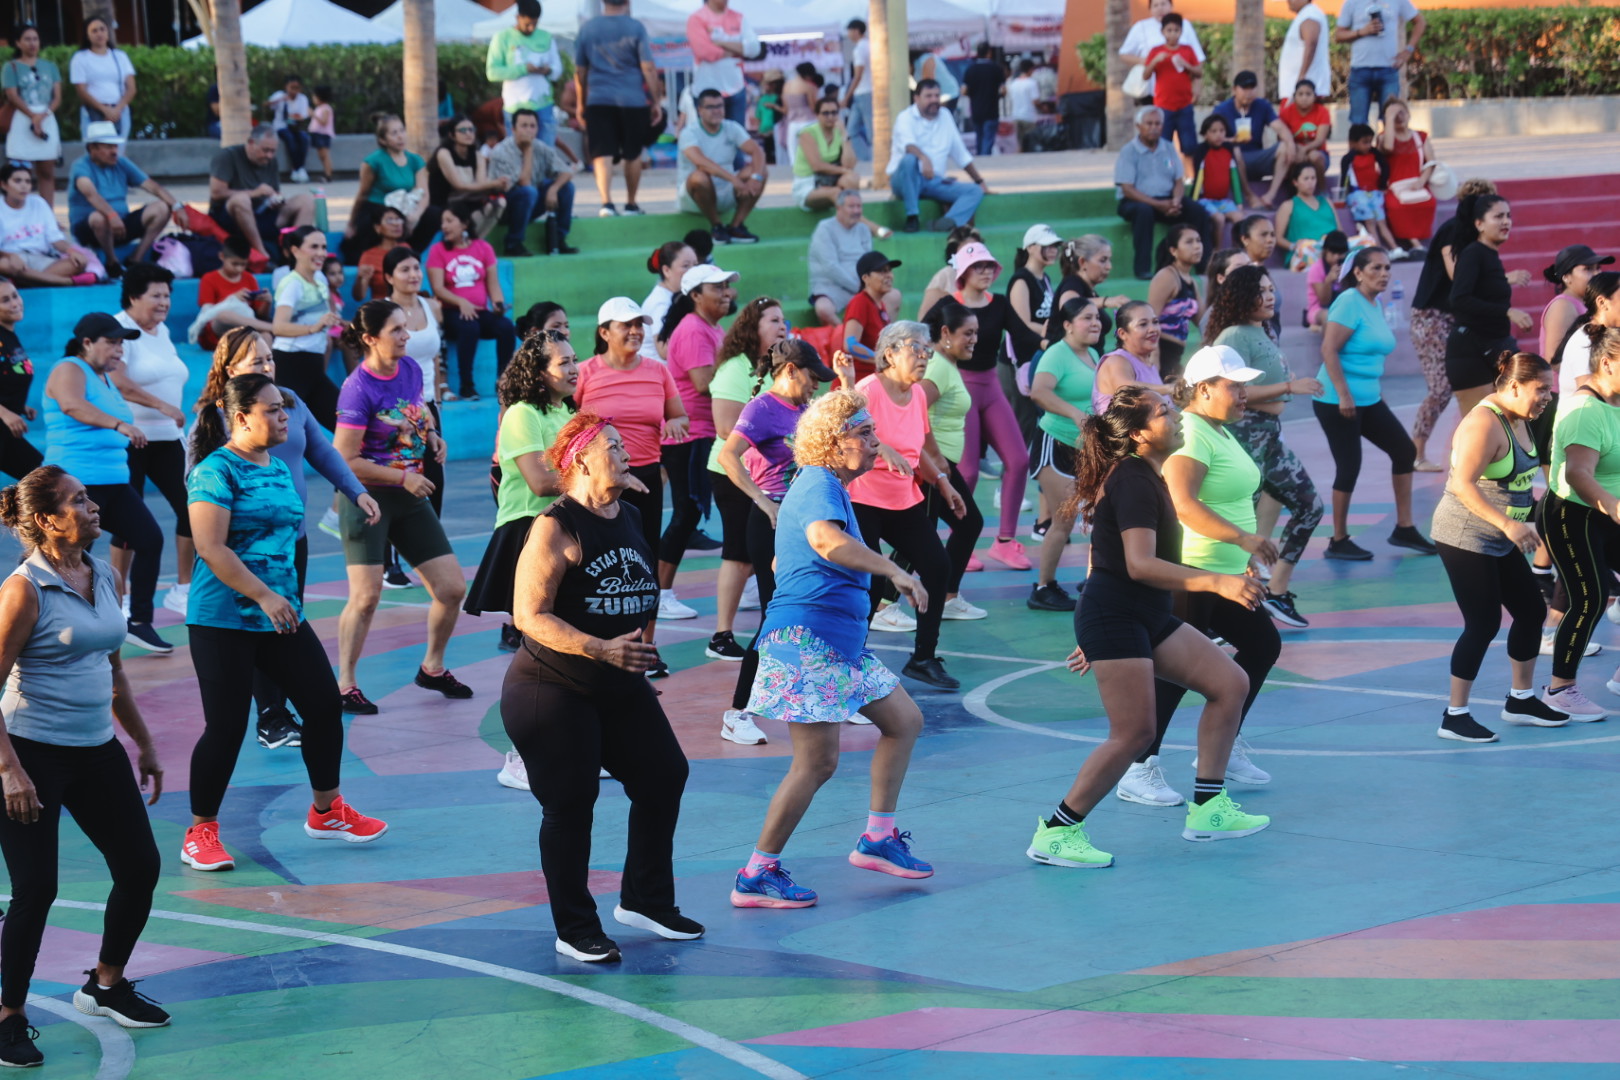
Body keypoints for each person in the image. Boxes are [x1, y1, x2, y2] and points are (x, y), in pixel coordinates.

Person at [1026, 385, 1270, 869]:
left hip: (1143, 614)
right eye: (1164, 412)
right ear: (1139, 434)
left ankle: (1208, 808)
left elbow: (1107, 554)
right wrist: (1216, 582)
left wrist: (1093, 633)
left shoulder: (1145, 476)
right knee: (1134, 733)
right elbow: (1139, 565)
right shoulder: (1133, 479)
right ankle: (1057, 831)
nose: (1176, 417)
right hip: (1118, 614)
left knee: (1230, 683)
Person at [503, 412, 699, 961]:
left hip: (616, 681)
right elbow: (529, 616)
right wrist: (600, 648)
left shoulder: (629, 514)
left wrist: (633, 658)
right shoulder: (555, 526)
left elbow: (635, 593)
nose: (626, 452)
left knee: (664, 775)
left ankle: (646, 901)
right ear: (581, 460)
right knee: (571, 802)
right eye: (612, 446)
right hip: (551, 687)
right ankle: (575, 928)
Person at [730, 389, 934, 908]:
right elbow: (824, 540)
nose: (875, 442)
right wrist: (893, 570)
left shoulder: (827, 488)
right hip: (807, 642)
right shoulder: (818, 483)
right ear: (832, 443)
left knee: (904, 721)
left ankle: (878, 838)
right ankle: (756, 873)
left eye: (873, 431)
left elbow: (787, 560)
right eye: (864, 433)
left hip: (838, 643)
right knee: (816, 763)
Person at [180, 371, 388, 876]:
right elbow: (210, 547)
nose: (284, 418)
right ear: (240, 417)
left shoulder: (275, 467)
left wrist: (280, 596)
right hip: (224, 618)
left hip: (280, 612)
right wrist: (264, 595)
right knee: (226, 727)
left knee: (322, 705)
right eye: (272, 409)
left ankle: (326, 810)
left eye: (284, 408)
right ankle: (201, 830)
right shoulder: (214, 471)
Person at [0, 465, 168, 1070]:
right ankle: (8, 1015)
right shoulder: (24, 590)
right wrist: (10, 771)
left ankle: (105, 984)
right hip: (30, 750)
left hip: (97, 748)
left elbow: (113, 668)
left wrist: (142, 743)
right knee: (36, 889)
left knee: (140, 867)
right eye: (78, 500)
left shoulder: (103, 573)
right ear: (48, 520)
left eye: (90, 497)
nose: (93, 506)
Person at [190, 329, 373, 749]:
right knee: (256, 622)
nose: (268, 366)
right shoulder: (217, 416)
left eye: (270, 358)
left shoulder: (289, 402)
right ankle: (271, 715)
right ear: (230, 370)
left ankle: (281, 709)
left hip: (291, 540)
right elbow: (198, 484)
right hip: (242, 549)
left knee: (284, 621)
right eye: (257, 361)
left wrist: (355, 490)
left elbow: (322, 451)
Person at [1115, 345, 1281, 807]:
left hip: (1224, 572)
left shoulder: (1219, 431)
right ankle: (1138, 767)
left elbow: (1229, 499)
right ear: (1204, 389)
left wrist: (1241, 554)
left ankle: (1223, 745)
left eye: (1245, 386)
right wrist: (1245, 540)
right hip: (1191, 570)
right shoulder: (1190, 435)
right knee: (1174, 673)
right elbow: (1184, 505)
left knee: (1263, 645)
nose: (1244, 394)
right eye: (1235, 386)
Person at [333, 301, 470, 715]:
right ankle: (344, 684)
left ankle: (432, 668)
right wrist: (401, 478)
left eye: (405, 327)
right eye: (395, 330)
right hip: (367, 498)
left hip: (408, 496)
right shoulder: (357, 388)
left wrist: (432, 436)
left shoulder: (408, 367)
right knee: (366, 597)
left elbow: (418, 408)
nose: (405, 335)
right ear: (370, 339)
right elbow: (345, 458)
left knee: (451, 589)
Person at [1429, 352, 1571, 742]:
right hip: (1464, 535)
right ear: (1514, 386)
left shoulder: (1520, 418)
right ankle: (1454, 715)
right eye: (1541, 389)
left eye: (1549, 389)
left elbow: (1516, 482)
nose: (1547, 397)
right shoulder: (1483, 423)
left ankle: (1520, 700)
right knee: (1483, 623)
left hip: (1500, 535)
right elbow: (1461, 485)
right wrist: (1510, 524)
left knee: (1530, 611)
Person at [717, 339, 842, 744]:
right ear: (790, 370)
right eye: (811, 377)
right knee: (777, 618)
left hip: (805, 519)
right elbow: (727, 456)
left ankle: (834, 698)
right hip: (772, 522)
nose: (816, 385)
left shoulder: (805, 408)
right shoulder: (762, 409)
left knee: (821, 608)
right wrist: (762, 501)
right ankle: (738, 712)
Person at [849, 322, 969, 690]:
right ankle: (851, 664)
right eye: (916, 348)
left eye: (927, 351)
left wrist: (943, 482)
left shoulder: (916, 395)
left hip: (902, 498)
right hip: (863, 497)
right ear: (890, 353)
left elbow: (916, 451)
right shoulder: (867, 390)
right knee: (869, 582)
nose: (924, 357)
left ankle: (923, 658)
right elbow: (846, 434)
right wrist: (881, 447)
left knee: (937, 565)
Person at [41, 313, 169, 653]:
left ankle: (139, 622)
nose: (119, 350)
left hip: (115, 483)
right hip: (76, 483)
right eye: (111, 342)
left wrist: (163, 406)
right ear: (87, 343)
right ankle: (59, 624)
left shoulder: (107, 380)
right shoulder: (69, 368)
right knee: (71, 553)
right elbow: (72, 405)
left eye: (121, 343)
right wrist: (119, 425)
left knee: (149, 539)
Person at [577, 297, 689, 675]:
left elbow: (679, 416)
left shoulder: (658, 371)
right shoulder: (585, 372)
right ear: (604, 332)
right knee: (595, 562)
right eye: (626, 325)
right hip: (596, 483)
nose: (636, 331)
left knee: (643, 561)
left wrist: (674, 426)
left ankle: (645, 646)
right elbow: (566, 427)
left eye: (639, 324)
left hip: (645, 479)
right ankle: (598, 644)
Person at [1208, 265, 1324, 627]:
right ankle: (1218, 607)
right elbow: (1228, 389)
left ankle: (1276, 590)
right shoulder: (1233, 336)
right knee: (1237, 520)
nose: (1270, 296)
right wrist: (1288, 387)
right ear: (1243, 295)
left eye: (1271, 289)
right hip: (1245, 436)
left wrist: (1284, 383)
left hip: (1270, 437)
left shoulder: (1263, 329)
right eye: (1261, 290)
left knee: (1310, 506)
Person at [466, 331, 577, 693]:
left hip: (565, 526)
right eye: (564, 362)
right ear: (540, 372)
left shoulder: (568, 412)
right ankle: (529, 710)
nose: (574, 369)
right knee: (541, 636)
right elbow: (540, 482)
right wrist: (595, 478)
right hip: (528, 531)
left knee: (569, 630)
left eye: (574, 360)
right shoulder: (522, 414)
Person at [1315, 247, 1436, 560]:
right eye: (1376, 268)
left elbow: (1367, 354)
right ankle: (1338, 540)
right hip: (1336, 399)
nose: (1384, 274)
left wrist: (1373, 393)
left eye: (1387, 268)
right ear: (1358, 272)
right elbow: (1328, 349)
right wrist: (1344, 394)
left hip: (1369, 399)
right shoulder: (1348, 301)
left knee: (1404, 451)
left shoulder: (1375, 303)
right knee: (1349, 466)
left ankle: (1404, 528)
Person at [705, 296, 791, 670]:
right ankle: (721, 635)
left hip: (770, 476)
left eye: (783, 320)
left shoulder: (780, 368)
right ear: (752, 327)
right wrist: (772, 430)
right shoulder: (734, 368)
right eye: (773, 320)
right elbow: (726, 427)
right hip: (733, 472)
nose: (782, 326)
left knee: (759, 555)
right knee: (738, 555)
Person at [104, 265, 193, 621]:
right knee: (129, 520)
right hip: (131, 439)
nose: (164, 302)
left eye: (167, 295)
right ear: (133, 297)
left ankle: (183, 589)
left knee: (193, 508)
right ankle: (119, 596)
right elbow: (119, 382)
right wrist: (161, 405)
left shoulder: (163, 330)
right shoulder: (118, 330)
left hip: (168, 439)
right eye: (156, 295)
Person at [1540, 326, 1620, 720]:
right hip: (1573, 514)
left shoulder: (1616, 403)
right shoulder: (1585, 410)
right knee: (1590, 598)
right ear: (1608, 363)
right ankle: (1559, 690)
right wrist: (1615, 506)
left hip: (1607, 511)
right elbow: (1578, 474)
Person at [947, 241, 1039, 571]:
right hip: (961, 388)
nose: (985, 271)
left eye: (989, 266)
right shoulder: (948, 305)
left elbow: (1024, 336)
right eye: (978, 266)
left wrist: (1058, 339)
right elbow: (926, 340)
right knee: (968, 471)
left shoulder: (999, 303)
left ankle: (1005, 542)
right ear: (963, 272)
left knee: (1018, 459)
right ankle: (960, 543)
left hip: (991, 387)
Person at [656, 263, 738, 620]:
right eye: (717, 287)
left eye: (726, 286)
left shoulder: (711, 327)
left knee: (722, 510)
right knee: (686, 514)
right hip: (690, 435)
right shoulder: (692, 329)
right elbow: (704, 382)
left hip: (705, 432)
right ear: (695, 295)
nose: (726, 293)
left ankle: (746, 578)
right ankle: (660, 593)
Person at [1027, 296, 1101, 612]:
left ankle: (1097, 580)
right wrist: (1073, 413)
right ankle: (1043, 588)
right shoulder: (1057, 354)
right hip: (1055, 443)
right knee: (1064, 520)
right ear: (1068, 325)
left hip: (1085, 448)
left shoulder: (1092, 354)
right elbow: (1038, 391)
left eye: (1097, 317)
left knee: (1101, 515)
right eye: (1087, 318)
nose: (1095, 323)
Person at [916, 300, 987, 616]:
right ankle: (884, 604)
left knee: (966, 524)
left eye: (976, 333)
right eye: (967, 333)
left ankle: (946, 597)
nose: (974, 339)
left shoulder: (946, 364)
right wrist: (933, 456)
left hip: (941, 463)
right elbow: (914, 407)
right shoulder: (938, 367)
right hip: (933, 465)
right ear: (945, 332)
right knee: (922, 535)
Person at [1448, 194, 1534, 423]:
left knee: (1522, 407)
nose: (1506, 221)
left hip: (1496, 344)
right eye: (1498, 216)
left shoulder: (1489, 255)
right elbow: (1459, 299)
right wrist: (1506, 311)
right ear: (1479, 224)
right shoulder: (1473, 254)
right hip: (1470, 351)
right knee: (1481, 426)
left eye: (1508, 216)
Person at [573, 0, 661, 217]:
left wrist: (581, 102)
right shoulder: (636, 27)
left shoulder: (588, 28)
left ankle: (606, 203)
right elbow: (648, 67)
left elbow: (580, 71)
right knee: (633, 152)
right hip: (632, 100)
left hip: (598, 99)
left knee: (601, 153)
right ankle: (631, 204)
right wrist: (656, 100)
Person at [428, 202, 518, 400]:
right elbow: (438, 288)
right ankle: (467, 386)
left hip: (480, 311)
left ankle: (503, 380)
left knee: (505, 327)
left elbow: (493, 284)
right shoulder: (438, 250)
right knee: (470, 327)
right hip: (451, 312)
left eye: (449, 221)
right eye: (442, 222)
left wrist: (498, 304)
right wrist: (461, 302)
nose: (444, 226)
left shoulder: (483, 248)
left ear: (465, 223)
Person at [1115, 106, 1212, 280]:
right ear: (1138, 126)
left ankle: (1204, 266)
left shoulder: (1168, 147)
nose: (1154, 128)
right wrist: (1158, 204)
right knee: (1143, 212)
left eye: (1158, 124)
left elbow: (1178, 181)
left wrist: (1176, 201)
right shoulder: (1128, 151)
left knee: (1198, 211)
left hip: (1167, 200)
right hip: (1136, 201)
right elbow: (1127, 189)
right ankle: (1142, 269)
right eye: (1149, 123)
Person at [68, 121, 176, 276]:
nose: (114, 151)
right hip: (90, 229)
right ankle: (112, 262)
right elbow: (91, 194)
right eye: (108, 147)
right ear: (92, 148)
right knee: (99, 217)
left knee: (162, 208)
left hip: (120, 224)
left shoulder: (121, 162)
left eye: (115, 146)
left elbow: (152, 186)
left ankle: (136, 259)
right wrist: (111, 215)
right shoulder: (80, 166)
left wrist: (178, 206)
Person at [889, 80, 989, 235]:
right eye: (928, 96)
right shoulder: (905, 117)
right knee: (910, 160)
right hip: (905, 180)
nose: (934, 100)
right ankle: (912, 217)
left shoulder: (945, 116)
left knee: (974, 191)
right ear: (916, 98)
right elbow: (908, 146)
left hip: (933, 181)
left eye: (937, 95)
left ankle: (948, 222)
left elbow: (960, 154)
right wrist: (923, 158)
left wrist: (979, 181)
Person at [208, 125, 315, 262]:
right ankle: (262, 254)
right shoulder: (227, 157)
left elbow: (275, 191)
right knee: (241, 200)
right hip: (231, 217)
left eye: (273, 151)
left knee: (306, 201)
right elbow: (217, 193)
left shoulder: (270, 161)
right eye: (265, 150)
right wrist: (254, 193)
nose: (269, 155)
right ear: (251, 143)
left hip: (262, 215)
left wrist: (277, 200)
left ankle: (296, 255)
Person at [269, 226, 341, 429]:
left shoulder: (320, 278)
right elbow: (278, 327)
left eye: (324, 247)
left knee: (346, 422)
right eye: (314, 247)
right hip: (291, 364)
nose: (321, 253)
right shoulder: (292, 284)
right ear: (295, 250)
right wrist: (314, 328)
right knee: (286, 433)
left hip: (313, 366)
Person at [678, 88, 766, 245]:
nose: (716, 111)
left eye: (720, 106)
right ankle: (717, 227)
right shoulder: (689, 133)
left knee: (761, 171)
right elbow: (701, 162)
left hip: (727, 191)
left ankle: (736, 226)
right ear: (699, 110)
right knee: (699, 177)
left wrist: (756, 177)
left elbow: (757, 151)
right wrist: (734, 179)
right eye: (710, 107)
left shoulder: (731, 127)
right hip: (695, 197)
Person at [489, 108, 579, 257]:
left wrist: (553, 189)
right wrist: (528, 150)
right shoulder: (502, 151)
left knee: (567, 188)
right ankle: (513, 244)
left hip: (530, 202)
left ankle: (558, 240)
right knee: (529, 192)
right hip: (504, 208)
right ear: (513, 129)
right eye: (524, 126)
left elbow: (566, 172)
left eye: (532, 126)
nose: (529, 130)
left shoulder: (540, 146)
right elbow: (524, 183)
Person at [346, 114, 434, 262]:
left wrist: (416, 215)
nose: (400, 136)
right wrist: (351, 223)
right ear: (383, 140)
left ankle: (411, 254)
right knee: (372, 225)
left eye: (402, 131)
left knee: (433, 215)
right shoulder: (373, 161)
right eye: (394, 133)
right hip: (378, 207)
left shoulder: (415, 160)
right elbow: (363, 194)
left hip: (404, 207)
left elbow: (424, 194)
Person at [1210, 70, 1297, 205]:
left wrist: (1290, 143)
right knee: (1236, 151)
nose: (1248, 93)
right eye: (1244, 89)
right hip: (1232, 160)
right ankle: (1249, 196)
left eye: (1252, 88)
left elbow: (1279, 127)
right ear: (1234, 90)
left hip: (1257, 156)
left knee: (1285, 147)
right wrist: (1232, 140)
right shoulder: (1222, 110)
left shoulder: (1262, 106)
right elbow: (1210, 138)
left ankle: (1270, 196)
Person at [1334, 0, 1425, 127]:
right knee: (1358, 123)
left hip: (1388, 69)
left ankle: (1386, 140)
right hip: (1360, 70)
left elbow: (1420, 22)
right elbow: (1338, 35)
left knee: (1390, 120)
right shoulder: (1352, 2)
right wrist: (1362, 31)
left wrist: (1408, 50)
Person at [3, 23, 62, 208]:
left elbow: (57, 97)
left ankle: (47, 215)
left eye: (35, 39)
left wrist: (43, 115)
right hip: (21, 119)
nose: (32, 43)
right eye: (27, 39)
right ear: (18, 43)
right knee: (19, 173)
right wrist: (32, 116)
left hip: (46, 118)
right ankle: (20, 212)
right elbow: (12, 95)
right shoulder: (11, 67)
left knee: (47, 172)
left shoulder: (50, 66)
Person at [485, 0, 562, 143]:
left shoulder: (546, 37)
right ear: (518, 17)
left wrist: (548, 70)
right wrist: (524, 69)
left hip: (543, 105)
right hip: (515, 106)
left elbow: (558, 70)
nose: (531, 28)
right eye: (527, 24)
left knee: (545, 152)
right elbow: (492, 73)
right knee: (517, 151)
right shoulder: (502, 38)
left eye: (535, 24)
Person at [0, 164, 88, 286]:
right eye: (17, 181)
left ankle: (27, 282)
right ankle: (63, 281)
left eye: (28, 181)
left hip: (41, 258)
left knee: (78, 262)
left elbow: (55, 238)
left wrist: (72, 251)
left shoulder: (39, 203)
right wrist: (11, 256)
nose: (24, 186)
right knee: (3, 265)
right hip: (12, 258)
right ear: (3, 184)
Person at [430, 113, 509, 241]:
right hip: (446, 203)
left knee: (499, 202)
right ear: (451, 135)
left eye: (471, 129)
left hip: (468, 200)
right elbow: (459, 185)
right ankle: (464, 241)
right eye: (462, 130)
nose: (468, 133)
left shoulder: (478, 155)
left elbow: (481, 183)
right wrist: (493, 183)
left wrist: (499, 184)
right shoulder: (444, 153)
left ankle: (475, 241)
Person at [809, 191, 878, 327]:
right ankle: (843, 334)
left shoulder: (863, 229)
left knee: (893, 296)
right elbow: (830, 267)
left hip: (861, 286)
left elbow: (869, 262)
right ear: (838, 208)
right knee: (823, 308)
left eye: (859, 206)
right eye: (851, 206)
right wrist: (858, 287)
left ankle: (882, 336)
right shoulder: (825, 228)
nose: (856, 211)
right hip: (832, 287)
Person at [686, 0, 758, 131]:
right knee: (710, 139)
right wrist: (738, 50)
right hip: (706, 90)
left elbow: (754, 49)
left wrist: (720, 43)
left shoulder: (739, 17)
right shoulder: (697, 18)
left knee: (737, 138)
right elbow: (704, 52)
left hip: (736, 89)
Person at [1379, 98, 1437, 254]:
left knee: (1428, 202)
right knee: (1396, 206)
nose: (1399, 117)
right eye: (1393, 115)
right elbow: (1388, 147)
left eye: (1401, 113)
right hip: (1394, 187)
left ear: (1408, 114)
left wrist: (1422, 181)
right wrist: (1389, 119)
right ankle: (1416, 245)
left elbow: (1431, 162)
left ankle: (1419, 243)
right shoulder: (1383, 137)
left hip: (1417, 183)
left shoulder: (1421, 136)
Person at [1048, 236, 1129, 345]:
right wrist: (1106, 301)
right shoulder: (1072, 283)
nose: (1109, 266)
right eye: (1103, 260)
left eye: (1109, 260)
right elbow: (1068, 304)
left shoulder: (1089, 290)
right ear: (1082, 262)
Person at [1118, 0, 1205, 102]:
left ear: (1171, 6)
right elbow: (1124, 54)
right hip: (1151, 90)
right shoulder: (1141, 27)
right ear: (1150, 9)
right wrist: (1148, 61)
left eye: (1163, 4)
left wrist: (1197, 85)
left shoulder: (1184, 25)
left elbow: (1198, 58)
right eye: (1155, 5)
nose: (1160, 8)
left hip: (1181, 90)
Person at [1191, 114, 1257, 248]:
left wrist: (1239, 202)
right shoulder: (1201, 151)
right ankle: (1218, 251)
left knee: (1239, 218)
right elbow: (1198, 178)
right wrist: (1194, 201)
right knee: (1219, 219)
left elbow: (1234, 177)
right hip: (1205, 200)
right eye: (1213, 131)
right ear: (1205, 134)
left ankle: (1237, 251)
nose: (1218, 135)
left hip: (1223, 201)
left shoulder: (1228, 149)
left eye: (1222, 131)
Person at [1145, 14, 1201, 168]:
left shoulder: (1187, 50)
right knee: (1163, 145)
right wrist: (1155, 61)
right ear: (1162, 32)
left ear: (1181, 31)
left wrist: (1186, 64)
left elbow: (1199, 72)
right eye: (1169, 30)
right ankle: (1166, 173)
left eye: (1176, 30)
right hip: (1163, 107)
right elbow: (1145, 75)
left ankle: (1190, 177)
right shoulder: (1156, 51)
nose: (1172, 34)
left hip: (1184, 105)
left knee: (1189, 146)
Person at [1148, 223, 1203, 376]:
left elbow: (1204, 322)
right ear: (1173, 250)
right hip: (1161, 352)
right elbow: (1150, 319)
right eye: (1189, 242)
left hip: (1176, 355)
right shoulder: (1166, 276)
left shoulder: (1191, 281)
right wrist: (1154, 357)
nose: (1197, 246)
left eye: (1198, 240)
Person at [793, 96, 861, 214]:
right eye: (825, 113)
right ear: (817, 115)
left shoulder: (838, 131)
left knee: (852, 180)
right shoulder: (807, 133)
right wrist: (844, 171)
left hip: (831, 181)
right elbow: (817, 166)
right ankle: (856, 218)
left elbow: (849, 164)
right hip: (809, 184)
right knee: (837, 192)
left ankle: (849, 217)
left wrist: (844, 135)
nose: (830, 117)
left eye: (834, 113)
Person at [69, 17, 135, 139]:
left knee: (118, 149)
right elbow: (81, 90)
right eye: (94, 31)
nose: (99, 33)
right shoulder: (80, 58)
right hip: (93, 112)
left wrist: (116, 110)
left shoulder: (120, 56)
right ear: (87, 35)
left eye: (102, 29)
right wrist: (105, 110)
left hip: (120, 112)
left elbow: (131, 88)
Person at [0, 279, 38, 482]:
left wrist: (19, 405)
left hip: (6, 433)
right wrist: (6, 413)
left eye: (15, 295)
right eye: (5, 300)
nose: (15, 303)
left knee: (50, 483)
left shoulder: (8, 335)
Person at [1274, 159, 1340, 268]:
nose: (1310, 182)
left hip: (1332, 248)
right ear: (1295, 182)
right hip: (1306, 250)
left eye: (1313, 178)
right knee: (1308, 250)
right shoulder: (1288, 205)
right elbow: (1278, 238)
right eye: (1306, 179)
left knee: (1366, 242)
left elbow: (1340, 231)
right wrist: (1294, 246)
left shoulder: (1327, 202)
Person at [843, 250, 900, 368]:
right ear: (865, 278)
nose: (889, 275)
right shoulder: (860, 302)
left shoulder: (879, 304)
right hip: (859, 378)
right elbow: (850, 345)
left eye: (889, 270)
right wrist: (884, 359)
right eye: (882, 271)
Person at [640, 240, 697, 358]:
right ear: (666, 270)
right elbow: (664, 351)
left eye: (695, 265)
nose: (693, 271)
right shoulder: (660, 303)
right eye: (685, 266)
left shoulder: (678, 296)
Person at [1009, 223, 1059, 354]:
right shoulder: (1021, 280)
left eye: (1055, 245)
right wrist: (1056, 334)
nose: (1053, 250)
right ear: (1030, 248)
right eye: (1047, 246)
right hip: (1023, 356)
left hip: (1041, 350)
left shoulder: (1045, 278)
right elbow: (1023, 324)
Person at [916, 225, 982, 321]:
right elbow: (924, 320)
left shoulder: (984, 274)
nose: (972, 255)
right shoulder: (945, 275)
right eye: (966, 251)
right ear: (954, 254)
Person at [350, 206, 410, 305]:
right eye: (390, 220)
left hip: (408, 305)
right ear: (377, 228)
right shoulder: (369, 256)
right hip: (383, 308)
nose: (396, 224)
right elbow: (359, 296)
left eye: (398, 219)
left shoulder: (406, 248)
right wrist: (361, 278)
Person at [1278, 0, 1331, 105]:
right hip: (1298, 89)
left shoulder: (1310, 14)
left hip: (1304, 91)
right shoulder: (1306, 14)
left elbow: (1311, 44)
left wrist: (1301, 78)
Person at [1278, 78, 1332, 176]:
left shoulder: (1323, 112)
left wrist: (1304, 149)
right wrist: (1296, 149)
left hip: (1318, 151)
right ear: (1294, 96)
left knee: (1314, 156)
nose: (1304, 98)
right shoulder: (1285, 112)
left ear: (1314, 96)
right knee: (1287, 156)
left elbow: (1320, 140)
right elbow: (1280, 138)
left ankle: (1321, 186)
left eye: (1308, 94)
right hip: (1293, 150)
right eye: (1300, 94)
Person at [960, 43, 1006, 157]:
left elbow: (964, 91)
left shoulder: (970, 69)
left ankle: (980, 159)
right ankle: (985, 159)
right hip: (992, 110)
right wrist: (997, 95)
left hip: (976, 110)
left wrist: (973, 94)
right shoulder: (996, 68)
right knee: (988, 138)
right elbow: (1003, 90)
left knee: (979, 137)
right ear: (989, 53)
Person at [266, 75, 312, 184]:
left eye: (297, 88)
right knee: (290, 139)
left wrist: (292, 117)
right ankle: (296, 168)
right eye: (292, 88)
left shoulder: (302, 99)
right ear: (286, 87)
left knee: (304, 139)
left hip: (296, 127)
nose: (294, 91)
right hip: (281, 126)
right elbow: (267, 105)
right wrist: (279, 100)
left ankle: (299, 168)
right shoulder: (279, 95)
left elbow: (302, 116)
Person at [1306, 230, 1350, 332]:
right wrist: (1328, 281)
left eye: (1340, 253)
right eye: (1333, 253)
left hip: (1341, 309)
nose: (1336, 257)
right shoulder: (1316, 269)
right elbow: (1324, 302)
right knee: (1329, 316)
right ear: (1325, 251)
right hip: (1319, 310)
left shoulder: (1347, 267)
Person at [842, 19, 873, 162]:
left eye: (849, 31)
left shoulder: (860, 49)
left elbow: (858, 75)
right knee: (851, 130)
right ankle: (866, 158)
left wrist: (846, 97)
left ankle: (874, 158)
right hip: (863, 92)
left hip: (865, 92)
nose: (848, 34)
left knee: (870, 130)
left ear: (855, 31)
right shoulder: (870, 46)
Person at [1008, 60, 1042, 150]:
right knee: (1031, 144)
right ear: (1030, 69)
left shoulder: (1013, 83)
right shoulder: (1032, 83)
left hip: (1016, 116)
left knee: (1021, 144)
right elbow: (1035, 101)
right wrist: (1042, 108)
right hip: (1029, 117)